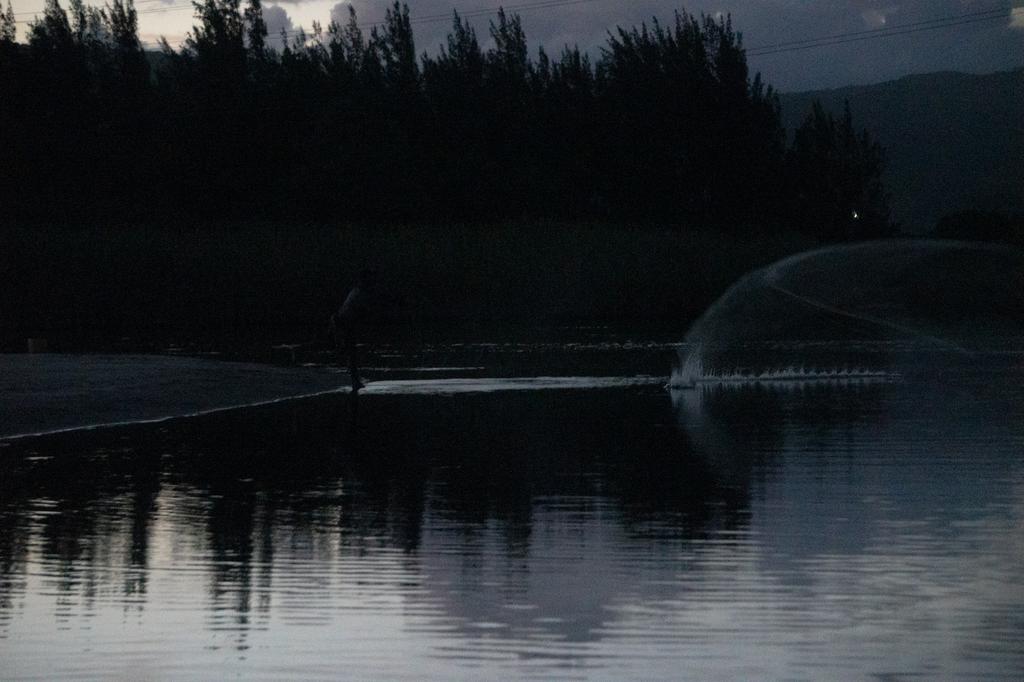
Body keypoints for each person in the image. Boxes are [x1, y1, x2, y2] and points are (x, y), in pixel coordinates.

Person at [330, 269, 379, 391]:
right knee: (351, 353)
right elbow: (362, 310)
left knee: (350, 353)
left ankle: (355, 380)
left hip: (344, 322)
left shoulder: (357, 292)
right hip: (343, 323)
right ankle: (355, 380)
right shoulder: (359, 293)